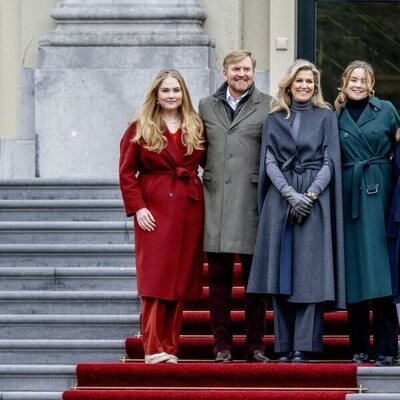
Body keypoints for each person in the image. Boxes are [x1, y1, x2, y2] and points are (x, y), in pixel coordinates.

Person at [247, 59, 346, 363]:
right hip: (281, 200)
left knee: (310, 274)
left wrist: (312, 194)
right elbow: (269, 161)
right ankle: (283, 344)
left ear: (316, 86)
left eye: (310, 82)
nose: (304, 86)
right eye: (299, 81)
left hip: (316, 201)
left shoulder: (326, 117)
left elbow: (331, 160)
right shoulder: (273, 119)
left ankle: (305, 344)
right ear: (288, 84)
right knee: (281, 271)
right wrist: (290, 195)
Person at [119, 69, 205, 364]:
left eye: (176, 90)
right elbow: (127, 172)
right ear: (156, 94)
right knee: (155, 280)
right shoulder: (139, 126)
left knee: (178, 281)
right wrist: (138, 207)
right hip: (154, 209)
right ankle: (153, 347)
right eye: (166, 90)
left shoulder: (195, 125)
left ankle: (170, 347)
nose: (171, 95)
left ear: (184, 94)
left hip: (189, 208)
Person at [198, 50, 272, 363]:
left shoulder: (268, 105)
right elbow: (198, 149)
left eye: (246, 69)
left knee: (255, 284)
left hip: (253, 202)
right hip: (216, 202)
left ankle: (255, 344)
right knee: (219, 282)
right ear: (225, 71)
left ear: (254, 72)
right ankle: (222, 345)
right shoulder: (206, 105)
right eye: (235, 69)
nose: (241, 74)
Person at [335, 60, 400, 366]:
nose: (358, 84)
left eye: (364, 80)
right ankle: (359, 344)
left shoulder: (387, 110)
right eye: (353, 79)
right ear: (344, 83)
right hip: (350, 195)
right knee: (356, 270)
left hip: (382, 191)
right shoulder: (335, 117)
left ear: (372, 85)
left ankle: (388, 345)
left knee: (383, 270)